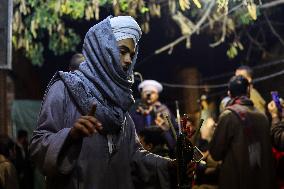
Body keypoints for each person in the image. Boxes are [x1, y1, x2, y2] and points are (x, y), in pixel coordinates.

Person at [29, 16, 180, 189]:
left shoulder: (119, 103)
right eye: (122, 51)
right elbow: (37, 147)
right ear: (102, 49)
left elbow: (132, 156)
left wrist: (168, 166)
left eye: (131, 54)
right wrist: (70, 137)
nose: (128, 60)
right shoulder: (64, 89)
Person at [209, 75, 275, 189]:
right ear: (248, 92)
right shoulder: (263, 117)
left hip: (236, 182)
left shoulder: (228, 116)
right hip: (261, 182)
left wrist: (210, 134)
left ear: (229, 94)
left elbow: (215, 154)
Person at [130, 80, 177, 152]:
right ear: (141, 94)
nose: (149, 95)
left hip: (161, 151)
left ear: (157, 95)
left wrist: (164, 129)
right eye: (146, 92)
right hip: (139, 151)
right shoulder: (135, 111)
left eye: (152, 92)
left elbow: (175, 133)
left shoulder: (164, 111)